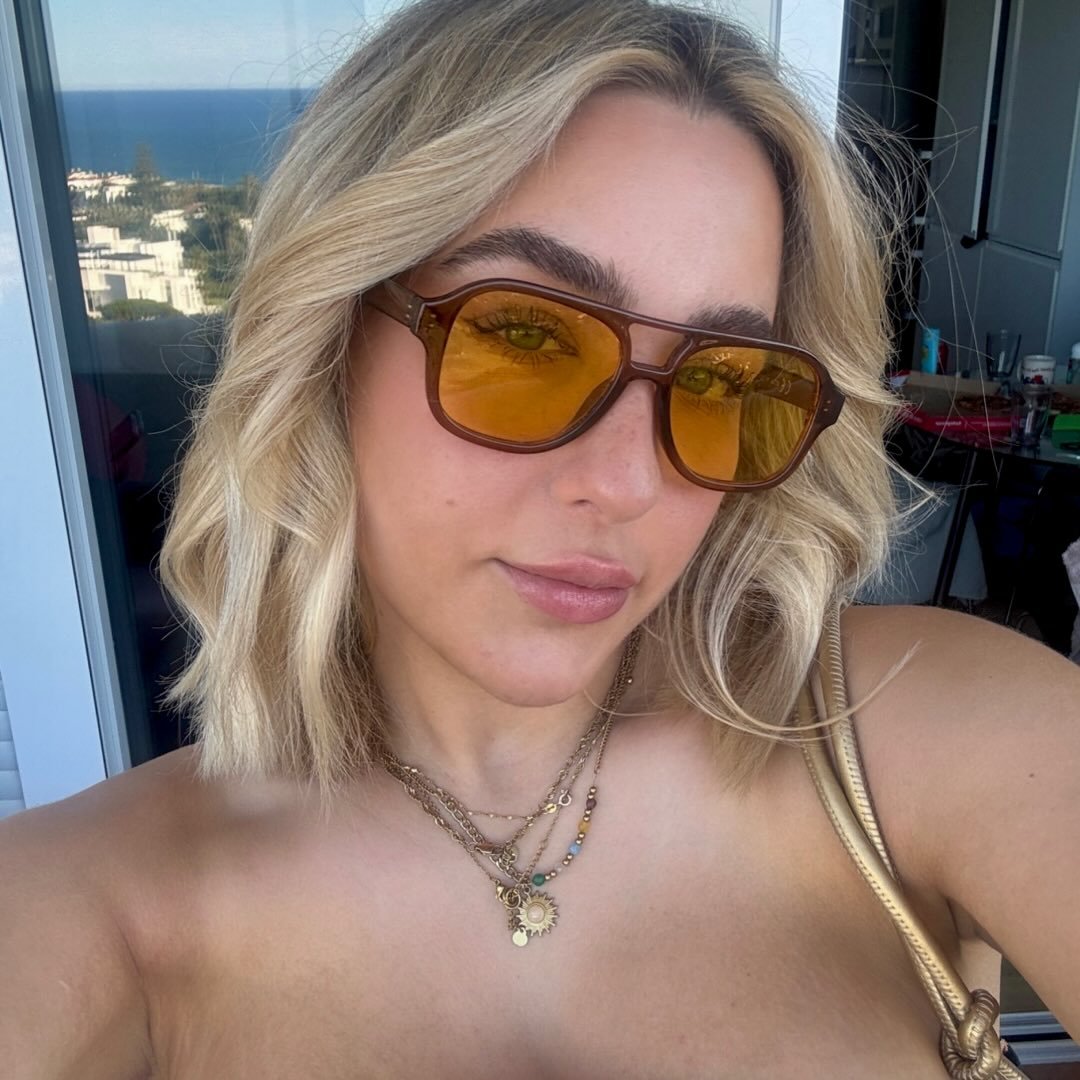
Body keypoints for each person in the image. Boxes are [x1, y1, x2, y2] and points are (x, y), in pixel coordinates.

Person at [2, 1, 1077, 1076]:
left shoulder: (918, 735)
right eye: (524, 334)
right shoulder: (89, 904)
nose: (626, 483)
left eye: (722, 380)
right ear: (326, 338)